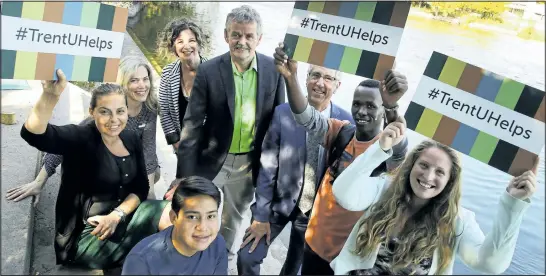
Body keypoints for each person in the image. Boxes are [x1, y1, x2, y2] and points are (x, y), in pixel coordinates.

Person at [272, 43, 409, 275]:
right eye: (357, 104)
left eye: (371, 106)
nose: (362, 111)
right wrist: (290, 76)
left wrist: (393, 106)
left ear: (382, 109)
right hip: (314, 243)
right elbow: (305, 116)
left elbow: (400, 148)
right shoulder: (341, 131)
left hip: (344, 259)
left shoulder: (384, 149)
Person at [17, 70, 172, 269]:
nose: (114, 119)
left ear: (127, 110)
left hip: (121, 218)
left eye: (120, 111)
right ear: (92, 112)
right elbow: (34, 135)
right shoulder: (81, 138)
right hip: (87, 236)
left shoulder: (131, 137)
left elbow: (140, 188)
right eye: (104, 111)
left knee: (175, 212)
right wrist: (50, 95)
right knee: (159, 243)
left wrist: (117, 215)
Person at [330, 131, 538, 275]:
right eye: (423, 165)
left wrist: (511, 206)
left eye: (440, 172)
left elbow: (490, 264)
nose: (428, 177)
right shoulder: (381, 190)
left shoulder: (458, 220)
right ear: (411, 166)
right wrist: (379, 150)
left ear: (450, 180)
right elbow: (343, 194)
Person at [169, 5, 286, 260]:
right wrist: (183, 176)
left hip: (248, 164)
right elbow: (192, 124)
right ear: (226, 35)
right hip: (211, 159)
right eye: (236, 35)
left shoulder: (274, 71)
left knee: (232, 217)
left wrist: (275, 169)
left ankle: (220, 258)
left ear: (258, 39)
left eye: (248, 36)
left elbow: (279, 124)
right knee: (197, 212)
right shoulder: (209, 71)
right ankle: (191, 256)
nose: (241, 41)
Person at [237, 64, 353, 275]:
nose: (319, 83)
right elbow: (267, 166)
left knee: (293, 271)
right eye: (315, 75)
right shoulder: (283, 113)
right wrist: (261, 216)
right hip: (278, 204)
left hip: (314, 216)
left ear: (337, 86)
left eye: (328, 78)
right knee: (247, 257)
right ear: (306, 78)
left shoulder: (347, 122)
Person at [6, 56, 161, 201]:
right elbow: (68, 141)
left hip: (125, 159)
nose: (142, 85)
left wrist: (150, 191)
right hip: (97, 166)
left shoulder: (150, 107)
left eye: (145, 79)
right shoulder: (105, 111)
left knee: (155, 173)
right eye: (134, 80)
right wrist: (39, 182)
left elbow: (149, 150)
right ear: (123, 84)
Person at [122, 176, 227, 275]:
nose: (203, 227)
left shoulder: (217, 244)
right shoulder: (142, 261)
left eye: (210, 216)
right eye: (192, 217)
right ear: (173, 217)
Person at [157, 18, 208, 153]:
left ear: (199, 43)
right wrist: (176, 142)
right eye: (180, 42)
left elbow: (220, 114)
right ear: (173, 47)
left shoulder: (213, 72)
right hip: (181, 147)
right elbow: (164, 111)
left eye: (191, 40)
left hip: (208, 149)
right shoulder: (168, 72)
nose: (186, 46)